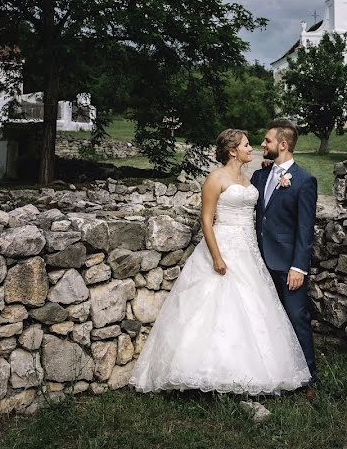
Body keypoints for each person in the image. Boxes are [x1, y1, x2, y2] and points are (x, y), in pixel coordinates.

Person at [129, 129, 311, 395]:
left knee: (253, 309)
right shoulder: (216, 178)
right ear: (232, 150)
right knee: (212, 308)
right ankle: (204, 374)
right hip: (223, 247)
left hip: (248, 250)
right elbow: (206, 219)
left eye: (256, 144)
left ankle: (254, 373)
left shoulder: (252, 178)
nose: (253, 148)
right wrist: (216, 256)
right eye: (248, 145)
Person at [251, 119, 319, 390]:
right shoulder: (260, 175)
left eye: (267, 141)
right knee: (266, 319)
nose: (262, 145)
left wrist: (299, 268)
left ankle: (309, 377)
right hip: (258, 261)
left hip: (288, 265)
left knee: (296, 316)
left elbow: (305, 229)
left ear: (283, 144)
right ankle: (274, 372)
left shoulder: (304, 181)